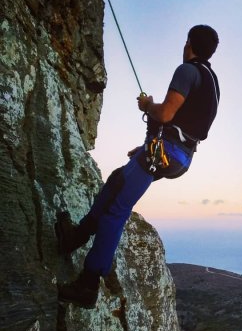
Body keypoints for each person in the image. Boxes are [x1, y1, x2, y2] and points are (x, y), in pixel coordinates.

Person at [57, 25, 220, 309]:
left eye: (186, 42)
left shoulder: (187, 71)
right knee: (117, 180)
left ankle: (88, 283)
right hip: (179, 157)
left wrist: (148, 105)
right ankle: (75, 237)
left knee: (115, 210)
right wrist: (146, 149)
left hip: (164, 152)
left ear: (189, 44)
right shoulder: (212, 81)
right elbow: (187, 123)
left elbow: (167, 113)